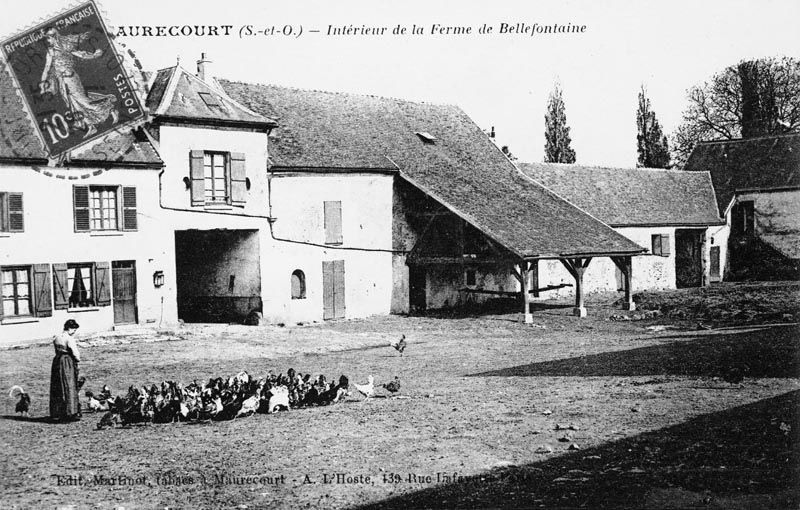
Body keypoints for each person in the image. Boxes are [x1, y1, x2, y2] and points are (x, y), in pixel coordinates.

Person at [39, 26, 119, 138]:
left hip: (70, 78)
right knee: (74, 105)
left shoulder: (65, 46)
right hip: (62, 81)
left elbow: (81, 54)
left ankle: (111, 109)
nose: (48, 40)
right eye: (47, 38)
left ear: (55, 36)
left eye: (50, 37)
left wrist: (94, 55)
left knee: (84, 101)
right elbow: (47, 69)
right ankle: (91, 126)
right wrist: (43, 84)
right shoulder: (50, 52)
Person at [50, 319, 82, 422]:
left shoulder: (57, 337)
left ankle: (58, 412)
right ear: (70, 328)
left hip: (57, 361)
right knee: (69, 385)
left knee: (58, 386)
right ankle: (70, 412)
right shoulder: (69, 339)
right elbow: (75, 354)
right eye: (74, 330)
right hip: (67, 362)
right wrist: (77, 360)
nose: (74, 332)